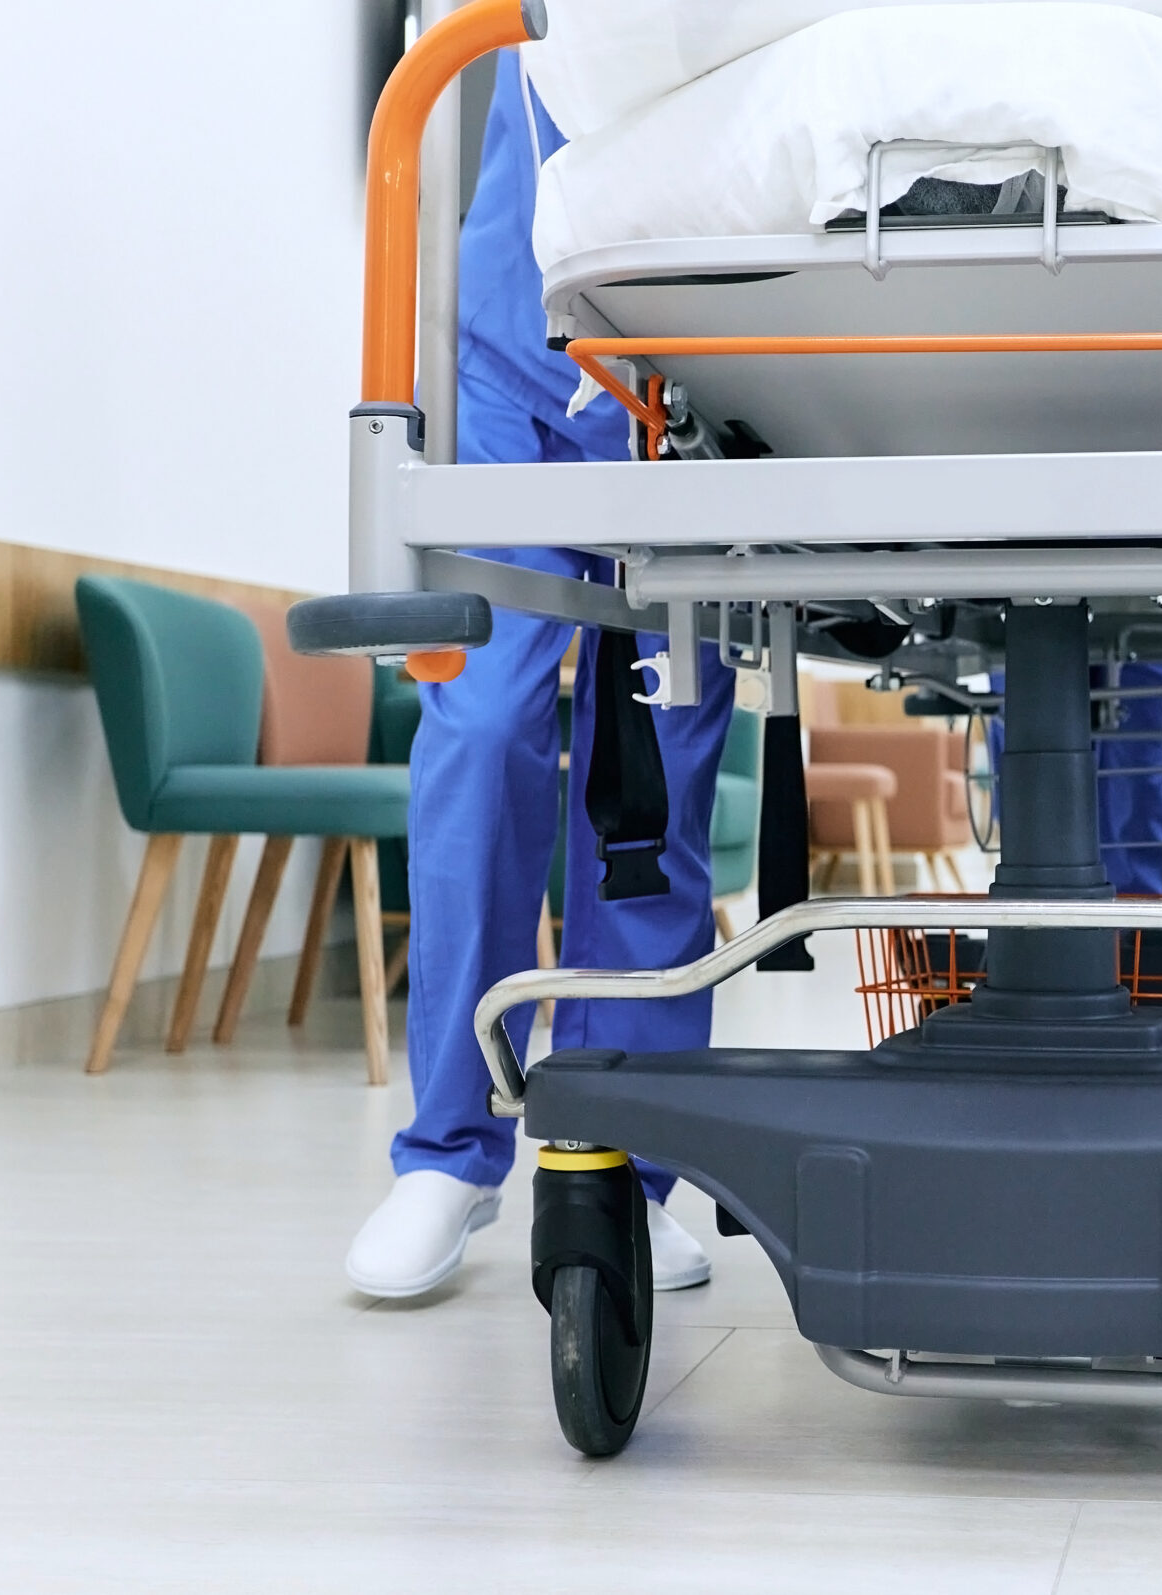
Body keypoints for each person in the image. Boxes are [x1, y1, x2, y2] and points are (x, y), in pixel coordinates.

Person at [345, 57, 733, 1300]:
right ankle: (449, 1154)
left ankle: (628, 1160)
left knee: (657, 771)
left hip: (696, 378)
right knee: (481, 727)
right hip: (516, 352)